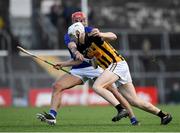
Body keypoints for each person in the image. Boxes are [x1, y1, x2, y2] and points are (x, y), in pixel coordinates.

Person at [36, 12, 139, 125]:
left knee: (114, 91)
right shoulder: (69, 33)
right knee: (57, 86)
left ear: (85, 21)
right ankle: (52, 116)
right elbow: (72, 45)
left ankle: (132, 118)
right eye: (76, 20)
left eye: (82, 20)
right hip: (78, 68)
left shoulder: (90, 31)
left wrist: (100, 34)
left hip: (95, 67)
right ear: (72, 21)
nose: (79, 22)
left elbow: (112, 37)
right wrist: (72, 55)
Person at [64, 22, 172, 125]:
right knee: (134, 101)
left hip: (116, 63)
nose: (72, 39)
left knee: (97, 86)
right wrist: (62, 64)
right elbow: (88, 62)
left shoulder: (92, 36)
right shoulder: (81, 47)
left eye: (73, 36)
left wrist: (101, 34)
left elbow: (113, 36)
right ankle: (163, 115)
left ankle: (121, 109)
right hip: (117, 67)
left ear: (78, 33)